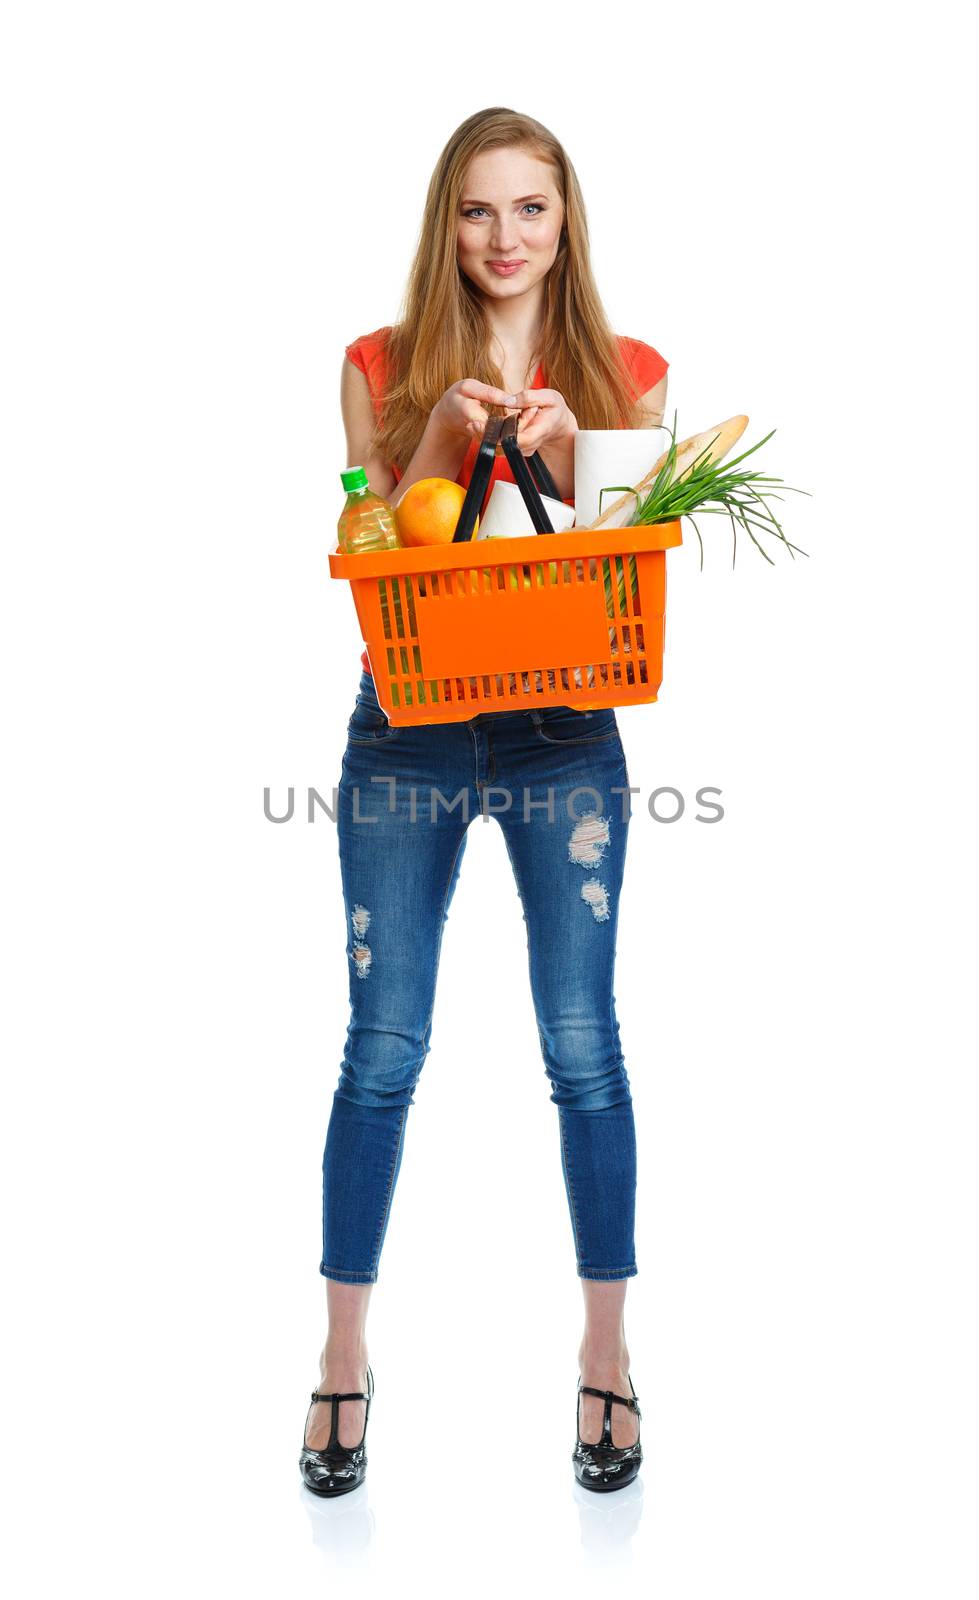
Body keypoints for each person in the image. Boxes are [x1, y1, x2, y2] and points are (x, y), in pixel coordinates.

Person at [300, 107, 668, 1498]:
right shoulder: (382, 368)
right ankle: (343, 1361)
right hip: (406, 734)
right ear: (443, 228)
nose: (502, 238)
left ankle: (609, 1358)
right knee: (383, 1046)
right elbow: (382, 545)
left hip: (566, 734)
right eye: (475, 211)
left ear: (565, 226)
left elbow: (624, 570)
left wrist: (580, 451)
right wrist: (446, 442)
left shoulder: (630, 373)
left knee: (583, 1044)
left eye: (529, 209)